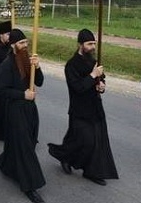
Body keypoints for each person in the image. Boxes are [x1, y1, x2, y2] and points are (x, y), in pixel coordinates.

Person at [47, 29, 119, 185]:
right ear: (80, 44)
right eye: (89, 44)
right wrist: (93, 76)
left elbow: (101, 81)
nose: (93, 47)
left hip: (95, 108)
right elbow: (78, 88)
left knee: (97, 142)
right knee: (83, 141)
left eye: (94, 43)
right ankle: (65, 157)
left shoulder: (94, 62)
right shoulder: (71, 65)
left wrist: (101, 86)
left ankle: (91, 171)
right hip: (79, 110)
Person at [0, 29, 45, 203]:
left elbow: (39, 81)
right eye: (22, 43)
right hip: (15, 110)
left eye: (26, 42)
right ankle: (30, 185)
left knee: (29, 141)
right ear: (13, 45)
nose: (25, 46)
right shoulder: (7, 65)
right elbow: (1, 90)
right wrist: (22, 95)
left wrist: (37, 67)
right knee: (24, 146)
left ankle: (7, 164)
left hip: (30, 109)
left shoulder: (28, 60)